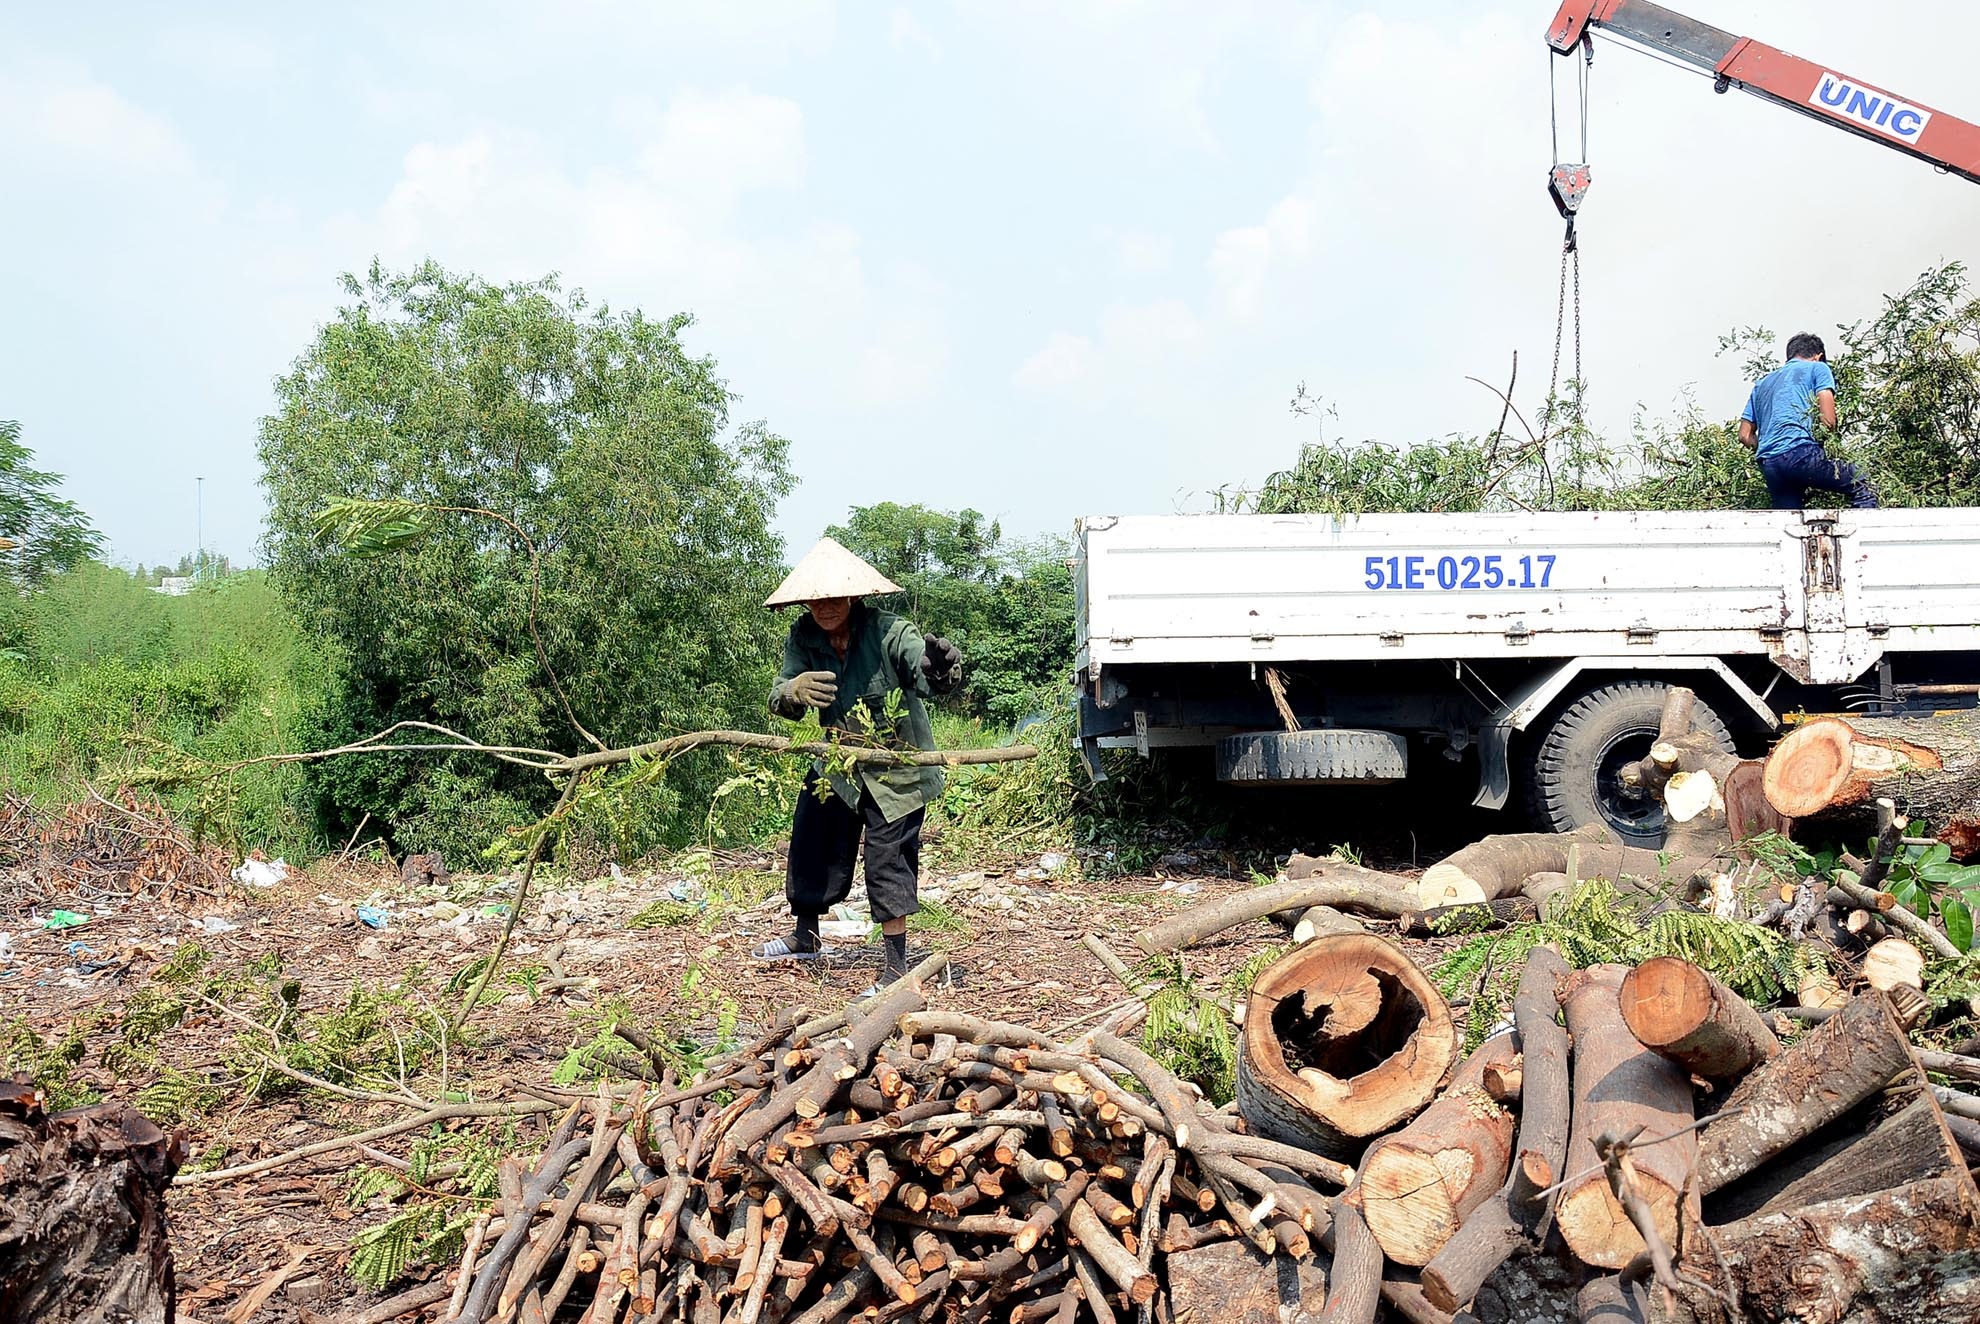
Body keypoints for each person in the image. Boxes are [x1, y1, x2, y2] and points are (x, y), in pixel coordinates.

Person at [752, 537, 963, 991]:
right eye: (816, 598)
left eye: (834, 596)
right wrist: (794, 690)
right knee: (812, 834)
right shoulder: (803, 636)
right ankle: (805, 936)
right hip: (838, 763)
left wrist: (938, 668)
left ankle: (895, 967)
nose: (825, 606)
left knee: (889, 860)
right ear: (806, 601)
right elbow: (779, 693)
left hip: (897, 765)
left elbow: (922, 666)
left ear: (853, 594)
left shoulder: (890, 630)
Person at [1738, 332, 1877, 510]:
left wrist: (1775, 450)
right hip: (1799, 453)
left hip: (1770, 464)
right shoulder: (1818, 368)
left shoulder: (1761, 384)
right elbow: (1828, 421)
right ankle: (1861, 531)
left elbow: (1744, 435)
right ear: (1818, 357)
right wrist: (1827, 448)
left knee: (1789, 520)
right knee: (1863, 480)